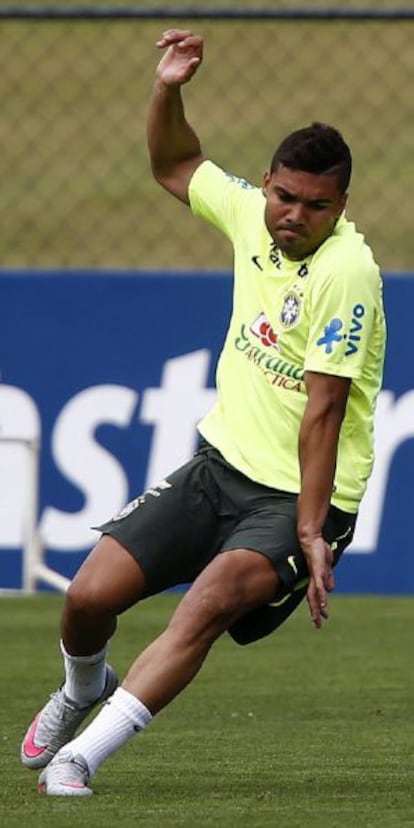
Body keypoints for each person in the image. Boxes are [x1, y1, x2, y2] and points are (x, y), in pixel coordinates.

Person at [21, 29, 386, 797]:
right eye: (284, 197)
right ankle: (82, 688)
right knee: (87, 598)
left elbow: (325, 410)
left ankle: (80, 759)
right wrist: (168, 88)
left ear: (341, 207)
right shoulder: (251, 216)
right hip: (219, 467)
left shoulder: (347, 272)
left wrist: (314, 531)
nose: (293, 216)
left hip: (298, 496)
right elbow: (173, 164)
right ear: (267, 184)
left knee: (209, 603)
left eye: (316, 206)